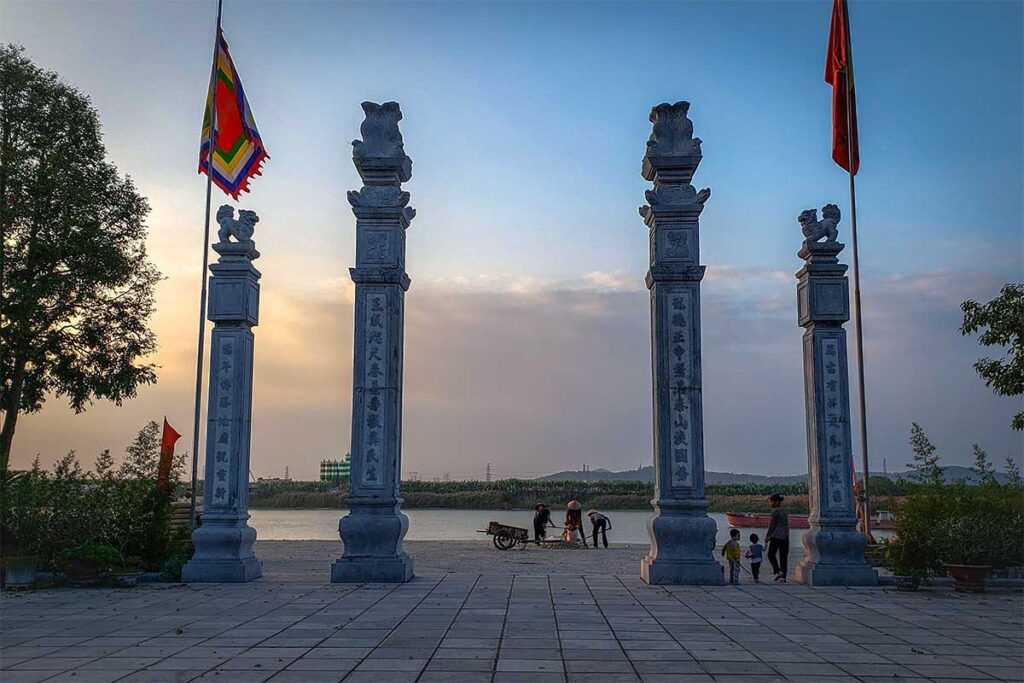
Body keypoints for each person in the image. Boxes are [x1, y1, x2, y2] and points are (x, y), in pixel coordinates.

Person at [765, 493, 790, 582]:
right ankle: (783, 577)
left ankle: (778, 571)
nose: (770, 504)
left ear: (776, 502)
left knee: (771, 555)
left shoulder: (775, 512)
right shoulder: (784, 511)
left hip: (776, 536)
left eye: (771, 502)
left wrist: (767, 536)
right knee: (783, 557)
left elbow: (772, 525)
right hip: (785, 537)